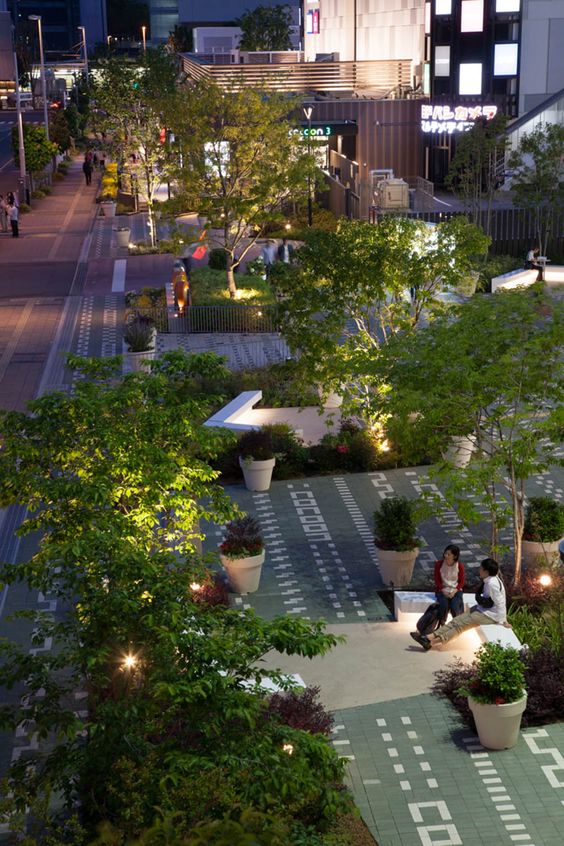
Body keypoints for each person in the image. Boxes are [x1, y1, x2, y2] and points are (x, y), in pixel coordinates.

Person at [411, 558, 507, 651]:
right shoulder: (489, 579)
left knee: (460, 626)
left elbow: (500, 603)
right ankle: (428, 637)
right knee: (457, 620)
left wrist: (504, 621)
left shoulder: (492, 584)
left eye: (481, 568)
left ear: (486, 571)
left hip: (490, 615)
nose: (479, 570)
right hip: (482, 609)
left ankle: (431, 642)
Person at [432, 544, 465, 625]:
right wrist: (442, 590)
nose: (445, 555)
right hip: (442, 589)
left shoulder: (459, 566)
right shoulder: (439, 564)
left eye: (448, 554)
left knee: (455, 605)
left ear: (455, 556)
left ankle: (457, 623)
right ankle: (442, 623)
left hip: (455, 590)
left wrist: (454, 591)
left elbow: (461, 582)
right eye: (445, 553)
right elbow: (437, 580)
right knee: (443, 604)